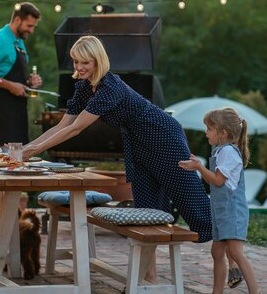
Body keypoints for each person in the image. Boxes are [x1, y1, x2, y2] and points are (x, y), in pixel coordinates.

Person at [22, 35, 213, 243]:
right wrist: (27, 147)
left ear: (98, 60)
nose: (79, 66)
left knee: (194, 204)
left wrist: (34, 151)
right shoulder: (85, 87)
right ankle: (148, 275)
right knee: (147, 210)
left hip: (163, 136)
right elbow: (62, 125)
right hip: (136, 142)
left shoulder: (110, 87)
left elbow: (75, 129)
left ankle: (230, 256)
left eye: (85, 62)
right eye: (76, 61)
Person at [178, 108, 259, 294]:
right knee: (217, 252)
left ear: (222, 133)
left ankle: (255, 291)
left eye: (209, 129)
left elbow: (217, 180)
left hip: (232, 211)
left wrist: (198, 167)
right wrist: (197, 166)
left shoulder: (229, 152)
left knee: (236, 252)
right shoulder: (220, 151)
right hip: (221, 211)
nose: (206, 133)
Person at [0, 2, 42, 145]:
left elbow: (13, 73)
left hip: (17, 106)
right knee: (2, 152)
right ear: (17, 20)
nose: (31, 31)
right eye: (29, 26)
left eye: (33, 27)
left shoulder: (19, 41)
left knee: (18, 153)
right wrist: (11, 86)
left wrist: (30, 82)